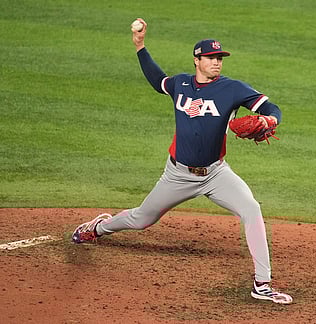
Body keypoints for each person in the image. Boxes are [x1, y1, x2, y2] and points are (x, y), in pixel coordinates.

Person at [71, 18, 292, 304]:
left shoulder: (232, 89)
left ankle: (262, 283)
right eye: (211, 58)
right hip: (177, 175)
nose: (217, 63)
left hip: (216, 174)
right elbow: (157, 81)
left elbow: (270, 106)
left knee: (251, 209)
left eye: (219, 58)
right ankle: (98, 228)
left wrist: (271, 118)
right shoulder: (180, 84)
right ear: (196, 60)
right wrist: (139, 45)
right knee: (141, 219)